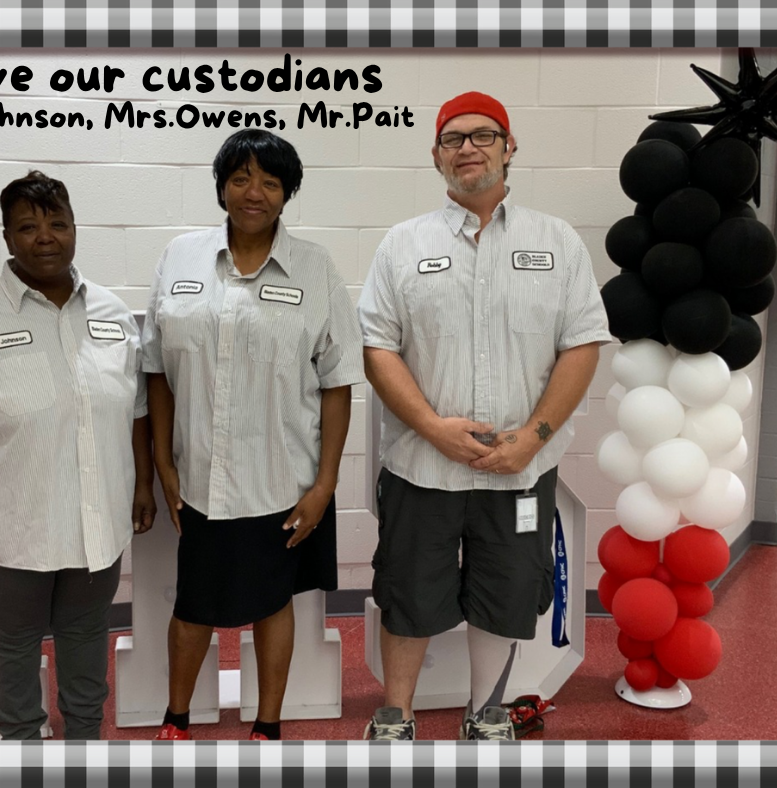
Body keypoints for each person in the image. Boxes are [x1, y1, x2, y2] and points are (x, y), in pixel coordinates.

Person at [358, 92, 611, 740]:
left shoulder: (556, 242)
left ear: (508, 147)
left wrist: (534, 438)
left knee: (507, 591)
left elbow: (582, 345)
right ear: (436, 155)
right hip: (422, 468)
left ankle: (486, 713)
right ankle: (396, 716)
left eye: (483, 135)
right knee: (408, 591)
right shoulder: (401, 245)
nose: (468, 147)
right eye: (453, 138)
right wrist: (432, 428)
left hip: (519, 470)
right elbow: (378, 348)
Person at [0, 171, 155, 740]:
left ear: (75, 229)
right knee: (12, 645)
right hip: (10, 530)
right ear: (6, 237)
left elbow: (137, 409)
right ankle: (20, 744)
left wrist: (142, 484)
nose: (46, 237)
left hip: (97, 523)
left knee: (86, 636)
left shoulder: (113, 313)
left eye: (58, 224)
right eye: (27, 227)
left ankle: (84, 740)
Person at [142, 129, 363, 741]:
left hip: (281, 477)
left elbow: (338, 382)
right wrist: (163, 463)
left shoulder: (315, 268)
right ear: (221, 187)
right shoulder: (180, 257)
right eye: (240, 178)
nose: (254, 192)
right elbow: (156, 368)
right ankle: (176, 717)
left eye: (270, 181)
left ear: (287, 192)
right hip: (200, 476)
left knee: (273, 602)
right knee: (193, 605)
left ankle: (268, 724)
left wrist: (324, 484)